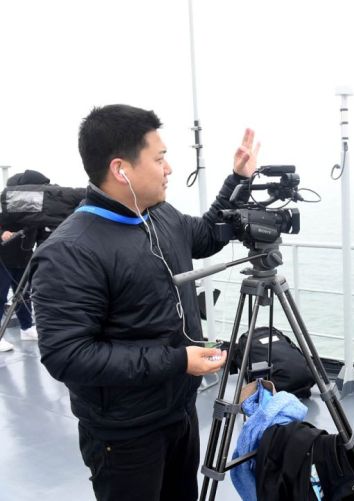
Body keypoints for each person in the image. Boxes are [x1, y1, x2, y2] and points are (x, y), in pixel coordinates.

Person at [30, 104, 260, 501]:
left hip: (179, 410)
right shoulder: (69, 251)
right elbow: (67, 355)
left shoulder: (159, 215)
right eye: (159, 158)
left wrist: (238, 179)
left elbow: (208, 234)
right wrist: (178, 360)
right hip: (125, 434)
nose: (168, 168)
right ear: (121, 169)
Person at [0, 169, 51, 352]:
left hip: (24, 258)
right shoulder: (7, 204)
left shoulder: (37, 208)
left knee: (24, 294)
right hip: (3, 259)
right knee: (0, 296)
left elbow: (41, 234)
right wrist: (2, 233)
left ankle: (26, 327)